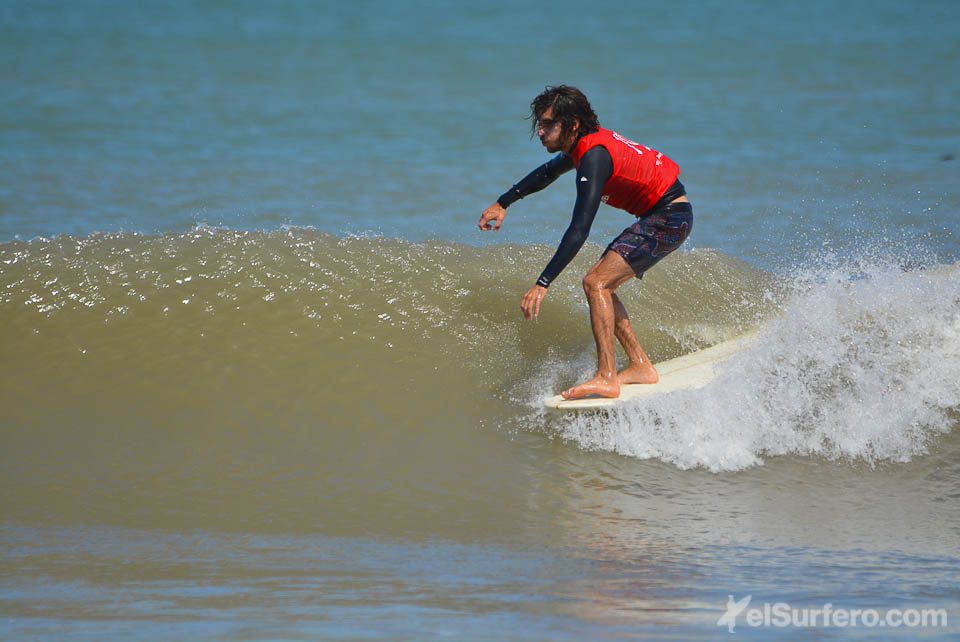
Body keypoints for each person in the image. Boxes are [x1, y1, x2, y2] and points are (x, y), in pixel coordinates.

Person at [478, 85, 692, 400]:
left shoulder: (594, 156)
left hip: (670, 217)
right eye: (540, 123)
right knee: (601, 284)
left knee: (596, 283)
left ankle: (607, 376)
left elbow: (580, 228)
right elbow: (548, 173)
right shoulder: (584, 146)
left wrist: (543, 282)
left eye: (548, 124)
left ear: (573, 124)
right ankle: (639, 365)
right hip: (665, 215)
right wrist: (503, 202)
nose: (540, 132)